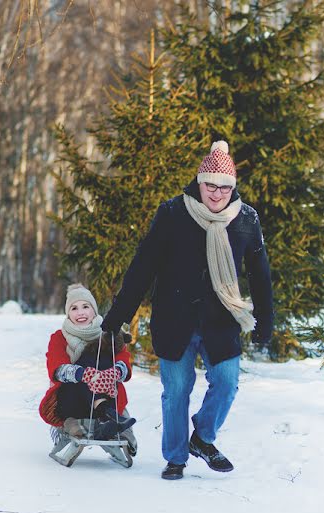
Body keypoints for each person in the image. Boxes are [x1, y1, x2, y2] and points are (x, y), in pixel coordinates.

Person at [102, 140, 273, 481]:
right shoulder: (172, 213)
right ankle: (176, 457)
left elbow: (260, 273)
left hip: (222, 319)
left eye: (225, 187)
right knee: (177, 391)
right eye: (211, 185)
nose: (217, 193)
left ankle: (203, 437)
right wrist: (118, 315)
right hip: (174, 317)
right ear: (199, 180)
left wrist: (265, 320)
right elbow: (143, 267)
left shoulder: (246, 219)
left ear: (233, 187)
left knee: (227, 383)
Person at [39, 284, 136, 440]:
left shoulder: (107, 333)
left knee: (103, 356)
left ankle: (106, 416)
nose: (80, 312)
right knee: (87, 360)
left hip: (108, 393)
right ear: (68, 314)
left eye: (85, 306)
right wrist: (83, 374)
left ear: (94, 310)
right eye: (74, 308)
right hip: (72, 400)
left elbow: (123, 358)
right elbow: (56, 367)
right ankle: (105, 414)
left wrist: (114, 372)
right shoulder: (59, 337)